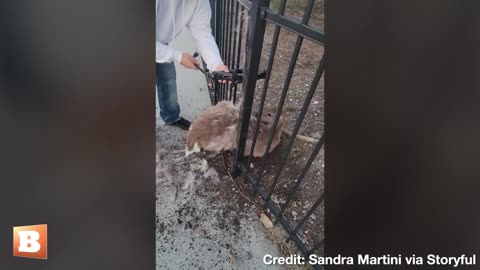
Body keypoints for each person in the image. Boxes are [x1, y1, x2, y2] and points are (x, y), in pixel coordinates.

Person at [156, 0, 229, 130]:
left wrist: (216, 65)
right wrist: (178, 56)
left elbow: (203, 34)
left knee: (167, 79)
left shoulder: (199, 2)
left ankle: (171, 116)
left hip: (159, 42)